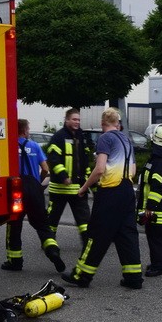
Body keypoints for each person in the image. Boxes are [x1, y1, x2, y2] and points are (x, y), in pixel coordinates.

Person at [61, 108, 143, 289]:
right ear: (117, 123)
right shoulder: (126, 139)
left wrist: (83, 188)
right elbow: (134, 170)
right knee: (126, 233)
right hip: (127, 191)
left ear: (102, 124)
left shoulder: (105, 139)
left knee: (96, 233)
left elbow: (99, 169)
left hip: (110, 192)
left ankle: (82, 275)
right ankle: (133, 277)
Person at [1, 119, 65, 273]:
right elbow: (45, 168)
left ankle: (15, 261)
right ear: (24, 130)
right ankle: (52, 251)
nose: (29, 130)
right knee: (42, 225)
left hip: (17, 188)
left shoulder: (8, 146)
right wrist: (39, 183)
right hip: (34, 187)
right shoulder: (34, 145)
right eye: (28, 128)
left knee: (14, 225)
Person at [45, 108, 93, 246]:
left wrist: (90, 182)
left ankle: (87, 244)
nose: (77, 122)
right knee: (52, 219)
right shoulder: (58, 137)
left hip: (78, 188)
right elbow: (53, 160)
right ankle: (49, 243)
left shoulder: (80, 137)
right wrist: (64, 176)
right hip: (60, 188)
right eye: (74, 119)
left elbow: (85, 161)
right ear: (66, 120)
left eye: (78, 119)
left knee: (84, 219)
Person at [138, 124, 162, 277]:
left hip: (157, 209)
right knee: (156, 237)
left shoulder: (159, 162)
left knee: (155, 237)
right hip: (160, 207)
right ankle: (161, 263)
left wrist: (149, 207)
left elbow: (157, 188)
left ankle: (158, 266)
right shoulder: (161, 159)